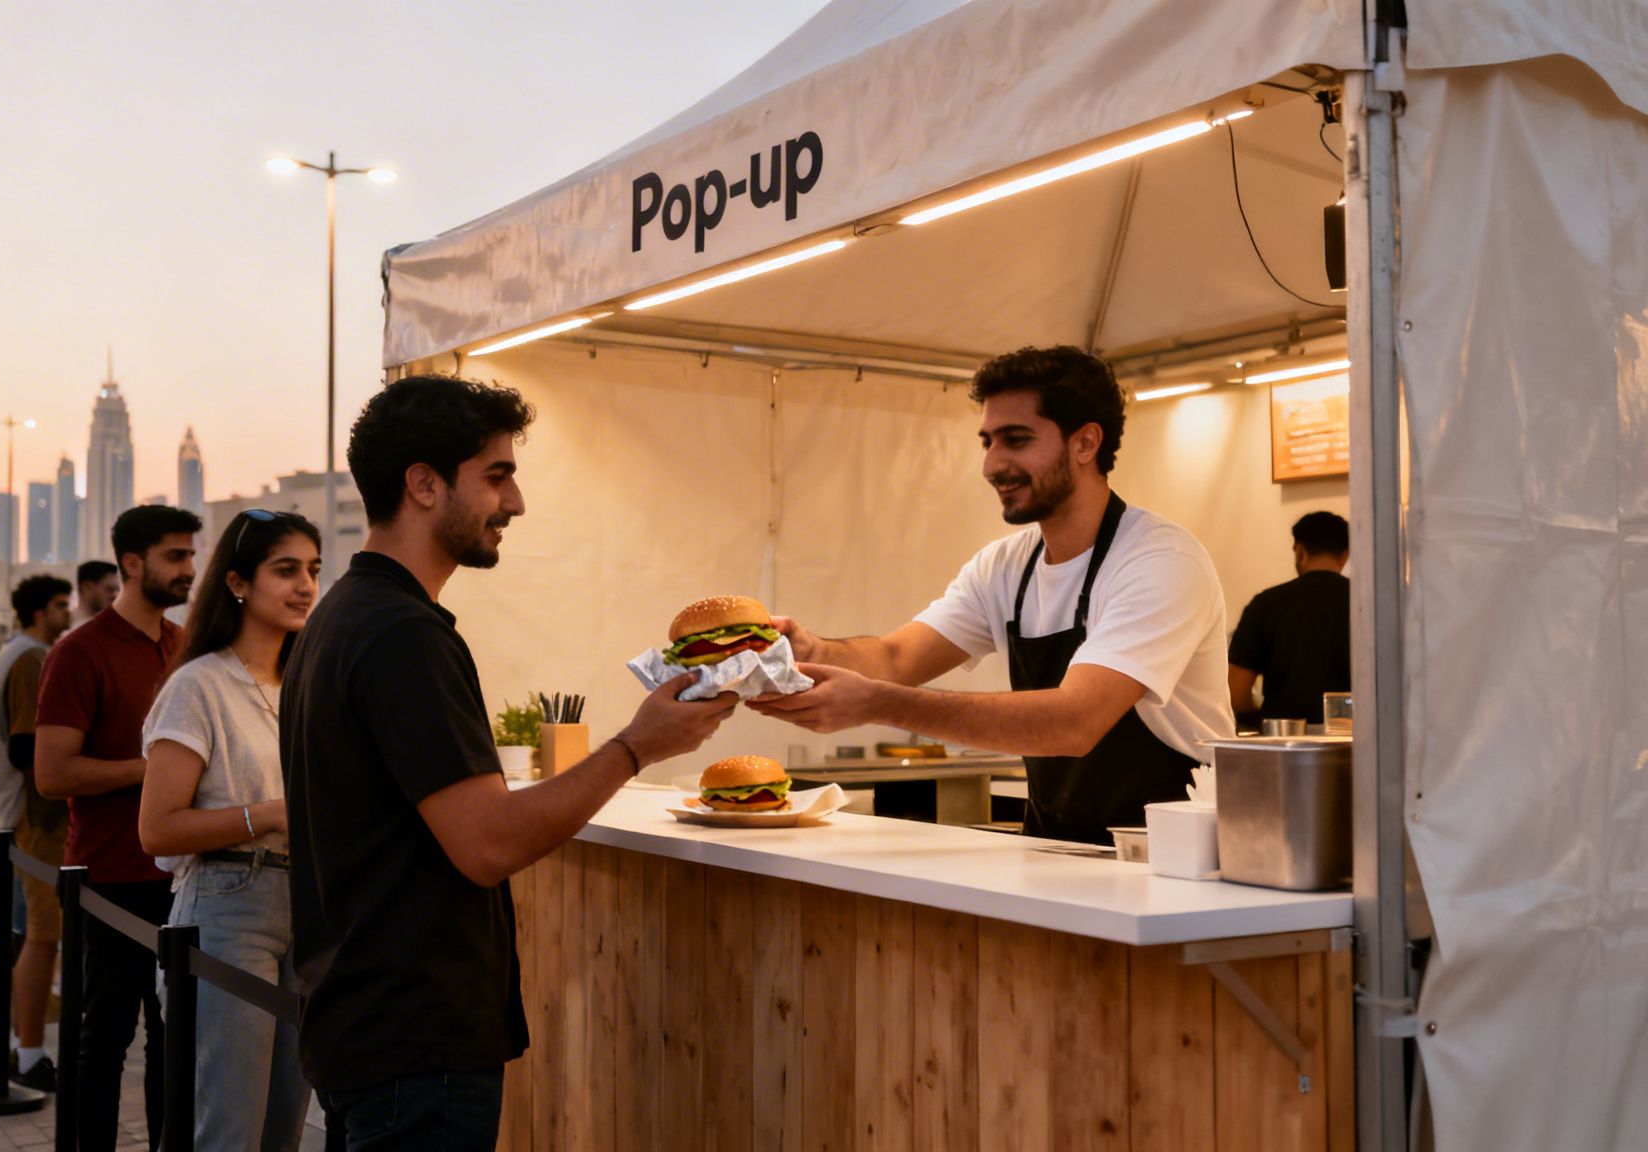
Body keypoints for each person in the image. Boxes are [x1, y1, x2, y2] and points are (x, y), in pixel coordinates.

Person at [282, 376, 736, 1147]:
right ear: (423, 485)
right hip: (412, 1042)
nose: (516, 501)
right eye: (496, 475)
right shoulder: (400, 634)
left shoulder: (341, 618)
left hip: (367, 1028)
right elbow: (487, 843)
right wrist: (636, 746)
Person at [749, 346, 1233, 845]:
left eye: (1016, 440)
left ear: (1086, 442)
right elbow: (895, 657)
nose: (991, 465)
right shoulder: (1005, 565)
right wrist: (811, 651)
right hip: (1056, 850)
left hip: (1173, 858)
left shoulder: (1160, 560)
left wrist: (881, 704)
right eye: (988, 442)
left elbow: (1077, 720)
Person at [138, 510, 320, 1151]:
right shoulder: (199, 685)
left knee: (282, 1129)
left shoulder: (305, 685)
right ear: (238, 583)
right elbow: (157, 829)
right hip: (226, 903)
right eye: (287, 569)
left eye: (313, 570)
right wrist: (269, 813)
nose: (305, 585)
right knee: (226, 1128)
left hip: (308, 908)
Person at [36, 505, 199, 1151]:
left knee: (175, 1038)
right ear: (133, 564)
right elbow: (52, 773)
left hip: (183, 873)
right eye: (176, 556)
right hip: (108, 876)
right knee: (103, 1039)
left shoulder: (184, 644)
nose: (190, 568)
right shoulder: (79, 651)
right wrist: (154, 771)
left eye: (191, 555)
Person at [0, 574, 73, 1092]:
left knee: (36, 935)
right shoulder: (29, 660)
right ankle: (30, 1050)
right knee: (43, 937)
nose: (67, 615)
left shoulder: (18, 655)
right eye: (62, 606)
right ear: (40, 611)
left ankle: (27, 1043)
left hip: (24, 815)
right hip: (35, 818)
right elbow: (25, 747)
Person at [1228, 511, 1350, 728]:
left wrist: (1255, 723)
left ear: (1299, 551)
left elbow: (1236, 688)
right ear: (1345, 555)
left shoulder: (1265, 604)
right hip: (1359, 741)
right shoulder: (1367, 604)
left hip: (1285, 745)